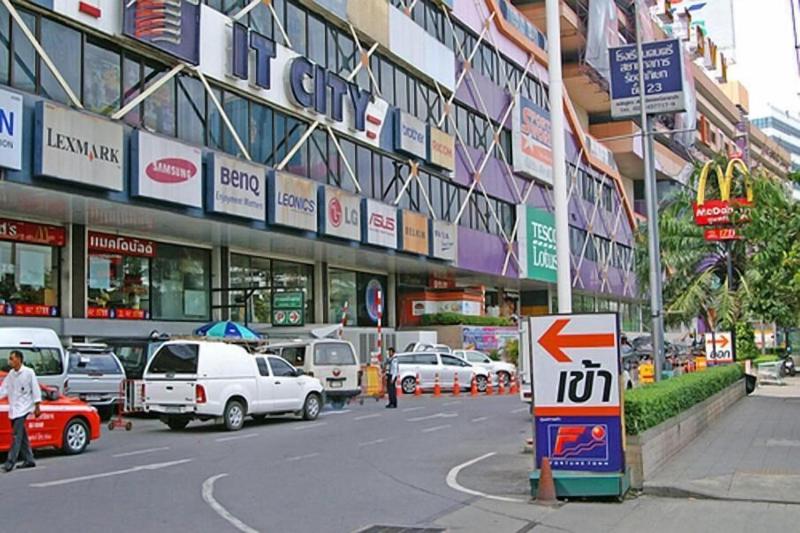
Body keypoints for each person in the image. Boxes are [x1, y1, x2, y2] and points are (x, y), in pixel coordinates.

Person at [0, 350, 42, 472]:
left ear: (19, 359)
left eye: (12, 358)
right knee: (22, 435)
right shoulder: (11, 374)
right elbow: (4, 389)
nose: (9, 361)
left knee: (16, 435)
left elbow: (36, 389)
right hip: (14, 408)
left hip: (24, 408)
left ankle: (10, 462)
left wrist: (37, 406)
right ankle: (29, 459)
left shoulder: (29, 372)